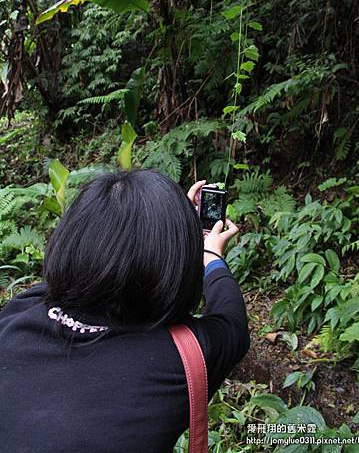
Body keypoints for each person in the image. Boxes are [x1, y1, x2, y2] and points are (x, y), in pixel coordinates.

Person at [0, 169, 250, 453]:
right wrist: (209, 255)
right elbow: (232, 320)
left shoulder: (19, 312)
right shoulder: (183, 356)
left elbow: (101, 256)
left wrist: (168, 225)